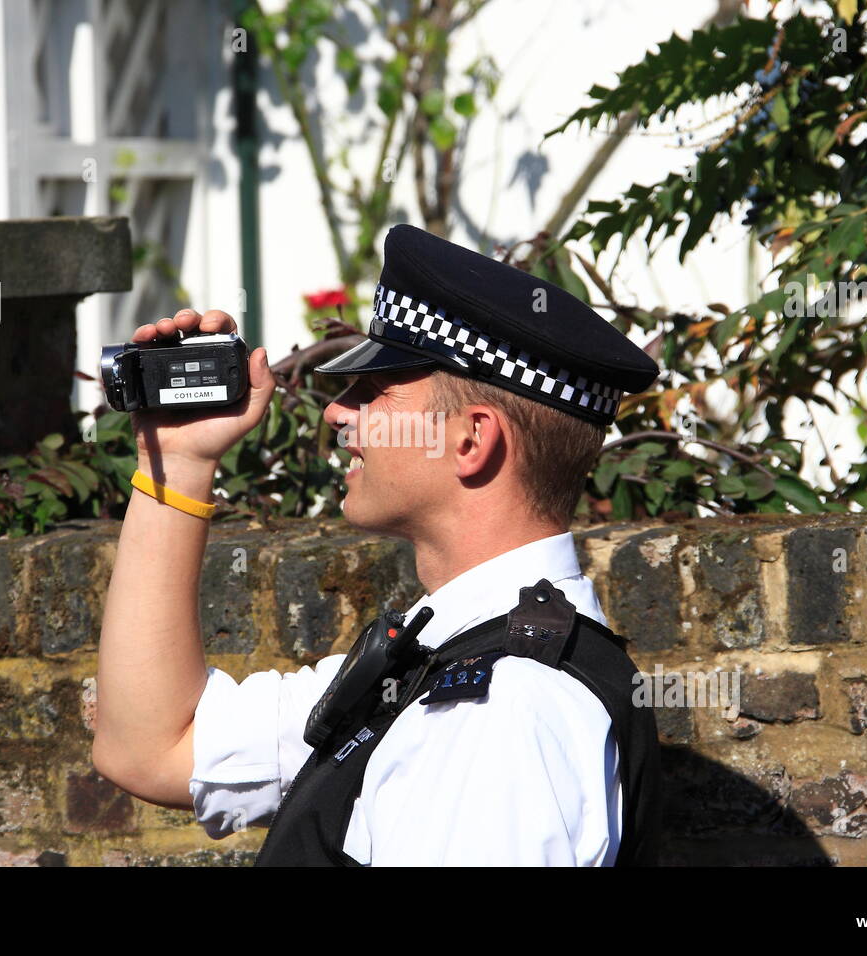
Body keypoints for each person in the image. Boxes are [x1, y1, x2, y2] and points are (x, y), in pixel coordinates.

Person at [93, 223, 661, 866]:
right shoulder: (440, 660)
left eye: (375, 389)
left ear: (471, 441)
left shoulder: (502, 711)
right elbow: (151, 745)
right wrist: (176, 463)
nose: (338, 412)